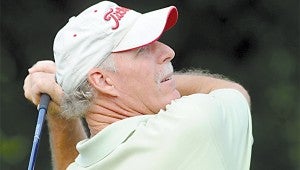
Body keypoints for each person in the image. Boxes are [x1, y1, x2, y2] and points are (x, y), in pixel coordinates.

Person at [23, 1, 253, 170]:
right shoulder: (195, 121)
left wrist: (63, 111)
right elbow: (234, 92)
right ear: (103, 80)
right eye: (142, 49)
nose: (167, 52)